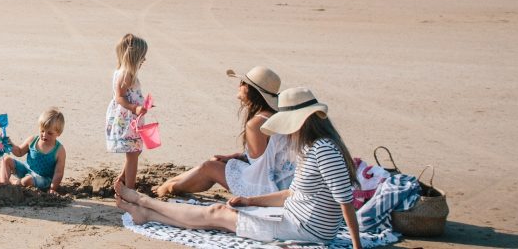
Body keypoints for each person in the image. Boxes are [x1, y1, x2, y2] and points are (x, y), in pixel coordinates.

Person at [114, 87, 363, 249]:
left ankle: (143, 202)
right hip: (294, 218)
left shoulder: (323, 150)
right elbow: (291, 194)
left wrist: (356, 246)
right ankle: (146, 212)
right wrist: (250, 200)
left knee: (217, 214)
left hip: (305, 229)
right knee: (218, 216)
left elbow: (345, 201)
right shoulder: (310, 147)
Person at [155, 67, 296, 197]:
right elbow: (267, 157)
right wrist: (237, 157)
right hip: (282, 181)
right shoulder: (275, 116)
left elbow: (259, 168)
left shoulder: (256, 124)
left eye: (243, 83)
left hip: (265, 189)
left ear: (251, 90)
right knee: (213, 162)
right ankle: (168, 184)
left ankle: (167, 189)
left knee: (209, 167)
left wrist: (238, 159)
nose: (239, 86)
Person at [105, 33, 149, 189]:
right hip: (126, 120)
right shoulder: (126, 75)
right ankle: (130, 189)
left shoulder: (126, 72)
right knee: (132, 154)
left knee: (134, 152)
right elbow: (119, 97)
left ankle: (122, 179)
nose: (144, 59)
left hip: (131, 119)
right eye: (142, 56)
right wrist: (135, 107)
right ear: (134, 57)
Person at [0, 107, 67, 193]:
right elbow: (19, 152)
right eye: (42, 131)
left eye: (50, 133)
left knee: (26, 181)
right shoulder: (32, 140)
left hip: (43, 179)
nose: (44, 135)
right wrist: (9, 144)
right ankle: (3, 184)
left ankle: (13, 182)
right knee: (6, 160)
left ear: (59, 133)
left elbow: (58, 173)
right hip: (26, 170)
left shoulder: (59, 151)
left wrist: (53, 188)